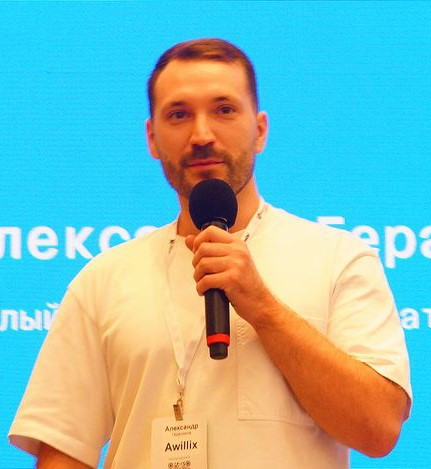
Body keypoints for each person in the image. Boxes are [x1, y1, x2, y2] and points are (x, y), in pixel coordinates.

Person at [9, 38, 411, 468]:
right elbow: (63, 449)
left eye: (224, 110)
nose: (202, 135)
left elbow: (378, 429)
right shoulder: (103, 278)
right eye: (179, 114)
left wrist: (263, 308)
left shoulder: (338, 258)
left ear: (260, 130)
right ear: (152, 138)